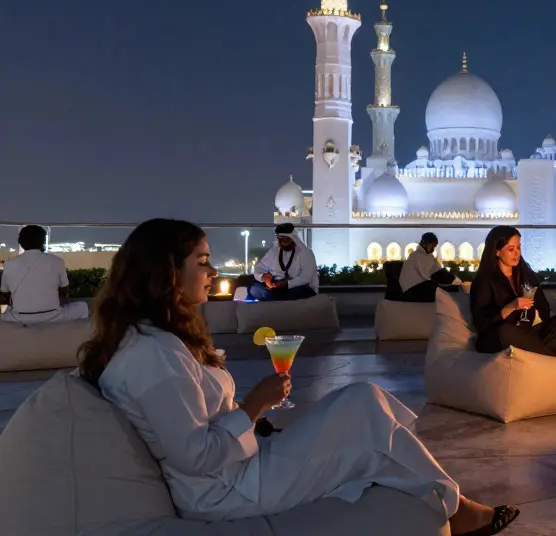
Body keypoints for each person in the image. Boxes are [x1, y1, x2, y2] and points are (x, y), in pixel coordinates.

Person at [76, 218, 518, 535]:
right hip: (230, 492)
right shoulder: (153, 356)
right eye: (202, 262)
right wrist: (254, 405)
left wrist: (247, 417)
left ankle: (450, 498)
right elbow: (196, 457)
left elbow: (191, 423)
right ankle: (457, 506)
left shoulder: (153, 343)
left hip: (237, 469)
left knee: (364, 400)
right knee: (366, 417)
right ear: (167, 272)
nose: (213, 272)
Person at [470, 225, 556, 359]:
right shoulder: (484, 280)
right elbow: (481, 323)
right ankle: (555, 356)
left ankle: (541, 349)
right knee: (505, 331)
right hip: (500, 336)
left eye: (518, 248)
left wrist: (539, 318)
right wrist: (511, 307)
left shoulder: (526, 275)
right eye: (511, 249)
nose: (517, 254)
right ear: (497, 251)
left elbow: (544, 308)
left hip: (529, 333)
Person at [1, 225, 89, 323]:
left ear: (20, 243)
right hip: (52, 316)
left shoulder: (9, 264)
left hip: (18, 317)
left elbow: (5, 292)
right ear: (42, 242)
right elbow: (64, 290)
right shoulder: (57, 261)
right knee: (83, 306)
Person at [249, 224, 319, 302]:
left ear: (293, 239)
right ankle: (278, 300)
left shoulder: (306, 253)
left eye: (284, 240)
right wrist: (265, 277)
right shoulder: (274, 252)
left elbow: (306, 277)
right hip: (276, 288)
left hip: (295, 287)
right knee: (254, 288)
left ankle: (276, 300)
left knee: (299, 292)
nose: (280, 244)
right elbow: (259, 267)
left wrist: (286, 284)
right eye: (279, 240)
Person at [397, 232, 459, 302]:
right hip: (410, 289)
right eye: (432, 246)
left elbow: (438, 270)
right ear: (425, 244)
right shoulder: (417, 255)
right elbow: (426, 274)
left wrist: (452, 278)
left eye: (434, 246)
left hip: (419, 287)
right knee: (434, 287)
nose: (433, 248)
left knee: (439, 283)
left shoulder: (428, 256)